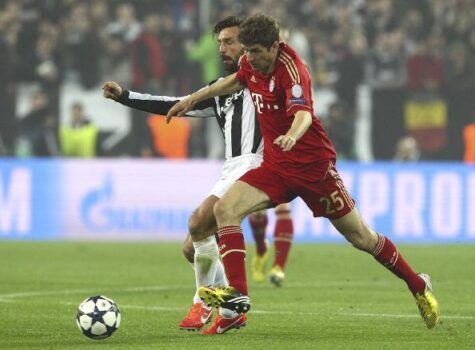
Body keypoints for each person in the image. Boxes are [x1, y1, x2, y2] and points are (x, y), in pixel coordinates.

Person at [167, 14, 441, 330]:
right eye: (247, 51)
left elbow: (303, 115)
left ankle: (417, 284)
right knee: (224, 209)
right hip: (276, 166)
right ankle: (238, 297)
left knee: (362, 237)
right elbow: (234, 80)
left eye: (256, 51)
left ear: (274, 46)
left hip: (313, 169)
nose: (250, 59)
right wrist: (192, 99)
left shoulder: (293, 71)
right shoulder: (250, 64)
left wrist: (292, 136)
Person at [103, 16, 295, 334]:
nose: (223, 47)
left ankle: (204, 301)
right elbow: (175, 105)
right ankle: (229, 303)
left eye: (230, 41)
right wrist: (126, 96)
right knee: (191, 248)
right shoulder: (220, 91)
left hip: (259, 166)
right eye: (219, 42)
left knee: (197, 221)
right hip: (231, 167)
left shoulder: (268, 78)